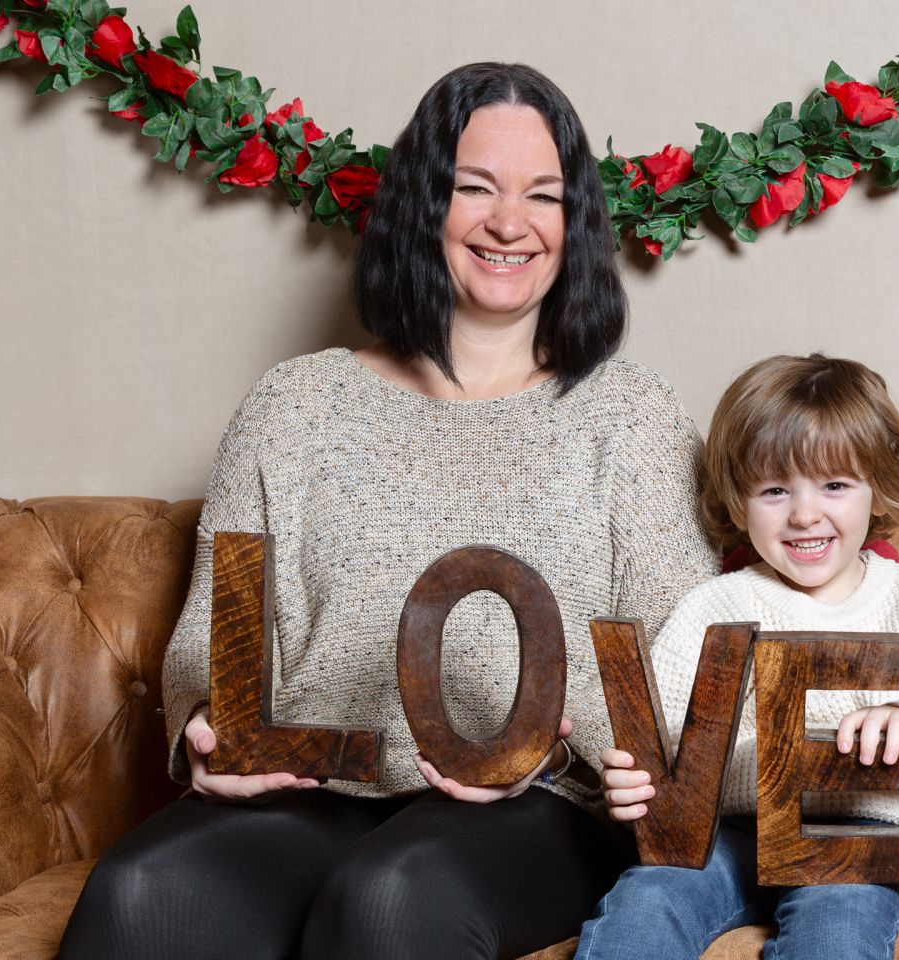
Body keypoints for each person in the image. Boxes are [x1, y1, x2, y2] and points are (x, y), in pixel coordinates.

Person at [58, 62, 718, 960]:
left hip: (543, 807)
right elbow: (215, 633)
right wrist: (206, 724)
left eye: (543, 196)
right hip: (320, 788)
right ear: (420, 204)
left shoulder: (632, 415)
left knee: (391, 896)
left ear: (575, 223)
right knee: (141, 892)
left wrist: (557, 751)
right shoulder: (295, 405)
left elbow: (680, 664)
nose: (509, 223)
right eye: (473, 188)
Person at [575, 354, 899, 960]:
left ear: (876, 487)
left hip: (868, 833)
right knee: (647, 901)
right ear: (737, 500)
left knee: (836, 923)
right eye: (775, 490)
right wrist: (637, 782)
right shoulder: (716, 605)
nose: (804, 514)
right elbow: (664, 731)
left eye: (834, 485)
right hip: (732, 833)